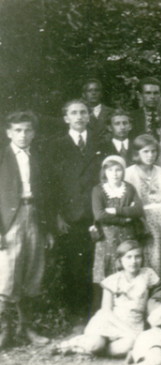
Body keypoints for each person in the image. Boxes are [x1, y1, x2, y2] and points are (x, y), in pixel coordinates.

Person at [0, 111, 53, 348]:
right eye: (18, 130)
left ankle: (26, 328)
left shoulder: (39, 157)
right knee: (7, 276)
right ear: (9, 132)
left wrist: (47, 228)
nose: (23, 135)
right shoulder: (2, 156)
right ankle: (4, 330)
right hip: (9, 219)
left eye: (27, 130)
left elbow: (47, 194)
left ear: (34, 132)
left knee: (33, 273)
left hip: (34, 216)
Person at [53, 240, 159, 357]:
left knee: (127, 346)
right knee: (95, 344)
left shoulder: (148, 275)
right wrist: (127, 330)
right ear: (120, 260)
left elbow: (155, 298)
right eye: (128, 257)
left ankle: (90, 350)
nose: (133, 261)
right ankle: (74, 344)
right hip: (110, 321)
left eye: (137, 257)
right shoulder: (113, 280)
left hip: (134, 322)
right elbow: (106, 311)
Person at [49, 99, 105, 317]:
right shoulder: (57, 145)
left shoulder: (100, 143)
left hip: (96, 214)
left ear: (89, 116)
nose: (79, 117)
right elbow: (51, 184)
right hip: (71, 216)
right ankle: (77, 317)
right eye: (74, 113)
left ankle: (97, 314)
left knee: (97, 265)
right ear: (66, 118)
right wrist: (57, 215)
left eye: (83, 112)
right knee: (74, 266)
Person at [125, 135, 161, 278]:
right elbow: (128, 200)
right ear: (137, 153)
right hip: (144, 219)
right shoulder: (130, 172)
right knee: (152, 254)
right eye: (146, 151)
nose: (150, 155)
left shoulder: (159, 171)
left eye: (153, 151)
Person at [91, 155, 144, 288]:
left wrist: (115, 210)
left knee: (129, 269)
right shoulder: (98, 190)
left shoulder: (129, 188)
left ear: (123, 171)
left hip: (127, 237)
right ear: (104, 172)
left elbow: (138, 210)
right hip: (107, 239)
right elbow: (100, 215)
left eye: (118, 170)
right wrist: (125, 218)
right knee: (108, 275)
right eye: (110, 170)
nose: (114, 174)